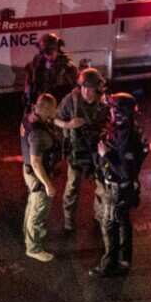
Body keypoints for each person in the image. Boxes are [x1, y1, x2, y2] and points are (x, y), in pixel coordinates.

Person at [90, 92, 149, 277]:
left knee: (110, 224)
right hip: (123, 188)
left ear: (122, 113)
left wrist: (105, 154)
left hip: (117, 188)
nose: (111, 113)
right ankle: (125, 260)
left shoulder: (126, 137)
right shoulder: (127, 129)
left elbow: (125, 171)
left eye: (114, 109)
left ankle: (109, 265)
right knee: (123, 222)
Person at [54, 67, 108, 233]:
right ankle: (69, 221)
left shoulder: (104, 103)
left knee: (102, 189)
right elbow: (55, 119)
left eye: (90, 88)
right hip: (77, 153)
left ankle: (99, 218)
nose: (86, 91)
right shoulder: (71, 100)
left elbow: (111, 126)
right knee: (72, 188)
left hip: (96, 154)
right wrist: (68, 124)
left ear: (97, 88)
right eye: (83, 87)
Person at [21, 93, 61, 263]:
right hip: (38, 174)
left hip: (28, 171)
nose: (56, 112)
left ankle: (28, 233)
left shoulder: (28, 118)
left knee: (33, 204)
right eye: (53, 109)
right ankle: (33, 248)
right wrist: (48, 184)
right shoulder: (38, 134)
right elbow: (36, 162)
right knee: (39, 208)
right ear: (45, 111)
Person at [23, 33, 78, 108]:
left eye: (52, 51)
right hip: (41, 104)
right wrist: (29, 95)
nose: (49, 56)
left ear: (57, 49)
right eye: (46, 52)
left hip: (59, 105)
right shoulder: (36, 64)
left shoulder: (68, 67)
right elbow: (30, 83)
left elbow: (75, 90)